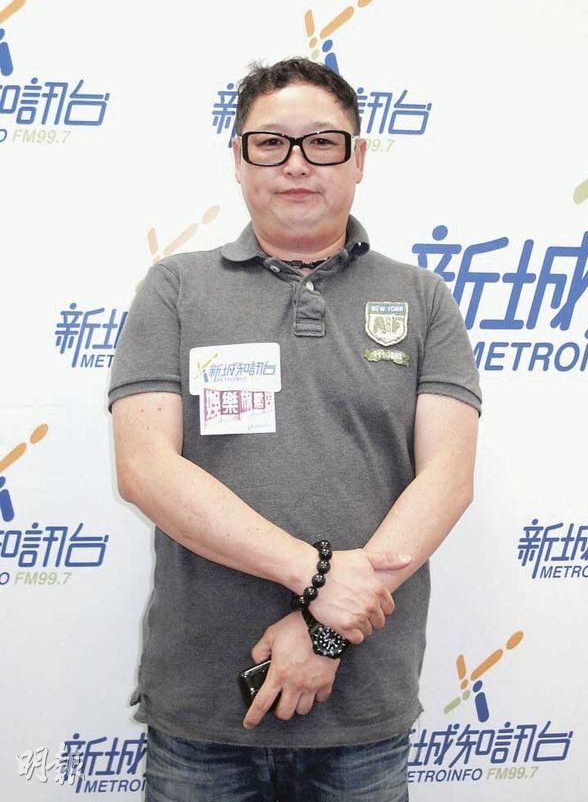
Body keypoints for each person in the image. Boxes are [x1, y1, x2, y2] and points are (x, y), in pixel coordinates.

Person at [108, 57, 481, 802]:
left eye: (322, 143)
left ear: (359, 158)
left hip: (362, 717)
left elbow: (447, 480)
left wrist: (323, 631)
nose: (297, 164)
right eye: (271, 143)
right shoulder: (175, 289)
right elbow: (145, 468)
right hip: (202, 714)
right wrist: (314, 577)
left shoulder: (422, 298)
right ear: (239, 159)